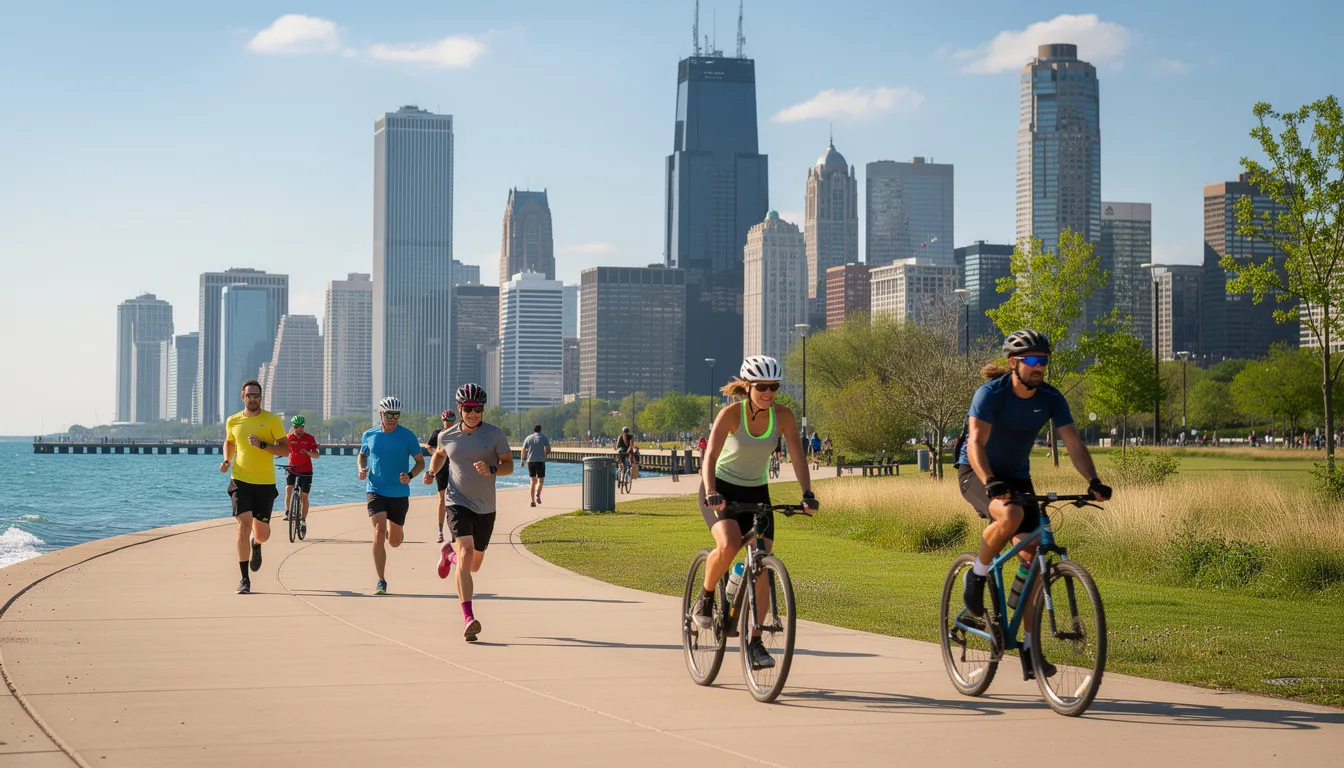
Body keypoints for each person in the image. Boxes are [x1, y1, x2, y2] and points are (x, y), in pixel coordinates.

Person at [955, 330, 1111, 681]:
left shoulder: (1051, 398)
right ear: (1014, 364)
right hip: (977, 471)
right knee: (1010, 514)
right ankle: (976, 577)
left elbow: (1072, 443)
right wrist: (991, 481)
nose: (1041, 367)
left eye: (1044, 361)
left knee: (1035, 554)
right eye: (1034, 361)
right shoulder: (990, 394)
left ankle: (1028, 646)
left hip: (1017, 475)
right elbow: (977, 443)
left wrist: (1093, 481)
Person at [692, 356, 819, 670]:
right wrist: (711, 491)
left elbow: (799, 458)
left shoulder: (784, 417)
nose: (769, 392)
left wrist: (807, 493)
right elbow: (710, 457)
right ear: (748, 387)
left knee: (761, 563)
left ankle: (755, 641)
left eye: (774, 387)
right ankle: (706, 596)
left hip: (757, 491)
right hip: (720, 487)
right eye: (762, 386)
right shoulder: (730, 414)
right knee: (729, 544)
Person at [425, 384, 512, 643]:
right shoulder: (447, 436)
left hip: (486, 506)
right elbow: (440, 455)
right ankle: (468, 618)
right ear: (460, 408)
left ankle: (447, 554)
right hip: (457, 501)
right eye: (469, 409)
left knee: (473, 564)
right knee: (467, 553)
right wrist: (431, 471)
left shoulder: (495, 435)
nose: (474, 413)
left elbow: (508, 465)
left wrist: (492, 468)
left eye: (479, 409)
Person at [220, 380, 288, 595]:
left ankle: (256, 544)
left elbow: (285, 450)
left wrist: (262, 445)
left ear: (261, 397)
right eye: (249, 395)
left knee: (262, 534)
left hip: (265, 484)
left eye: (256, 395)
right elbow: (230, 442)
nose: (252, 399)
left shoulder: (272, 420)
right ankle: (244, 579)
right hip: (240, 480)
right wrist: (226, 459)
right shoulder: (233, 421)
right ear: (243, 397)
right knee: (244, 523)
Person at [358, 396, 425, 595]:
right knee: (378, 532)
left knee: (394, 541)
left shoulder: (408, 436)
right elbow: (363, 454)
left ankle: (395, 532)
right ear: (381, 414)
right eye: (389, 414)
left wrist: (411, 475)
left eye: (396, 415)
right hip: (375, 490)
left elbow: (420, 462)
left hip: (399, 492)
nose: (393, 418)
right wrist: (361, 468)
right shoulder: (369, 434)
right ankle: (381, 580)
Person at [424, 410, 458, 543]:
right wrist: (436, 453)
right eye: (446, 420)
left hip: (455, 468)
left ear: (455, 420)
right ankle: (440, 531)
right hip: (441, 469)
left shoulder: (458, 433)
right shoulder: (438, 433)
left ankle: (455, 531)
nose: (448, 422)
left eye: (451, 420)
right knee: (442, 498)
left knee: (456, 499)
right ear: (442, 420)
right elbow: (428, 445)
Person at [283, 415, 319, 538]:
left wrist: (308, 452)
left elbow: (317, 455)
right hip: (292, 468)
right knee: (288, 488)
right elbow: (280, 449)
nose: (300, 429)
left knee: (304, 496)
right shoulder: (288, 438)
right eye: (297, 427)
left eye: (302, 427)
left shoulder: (309, 438)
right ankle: (288, 511)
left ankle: (303, 520)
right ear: (293, 427)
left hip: (306, 470)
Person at [521, 423, 551, 507]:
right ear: (540, 429)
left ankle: (532, 501)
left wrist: (522, 461)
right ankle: (538, 494)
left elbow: (523, 450)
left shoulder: (528, 438)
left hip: (530, 461)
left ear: (533, 430)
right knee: (540, 480)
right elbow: (548, 449)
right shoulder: (543, 437)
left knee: (532, 481)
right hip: (540, 461)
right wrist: (546, 453)